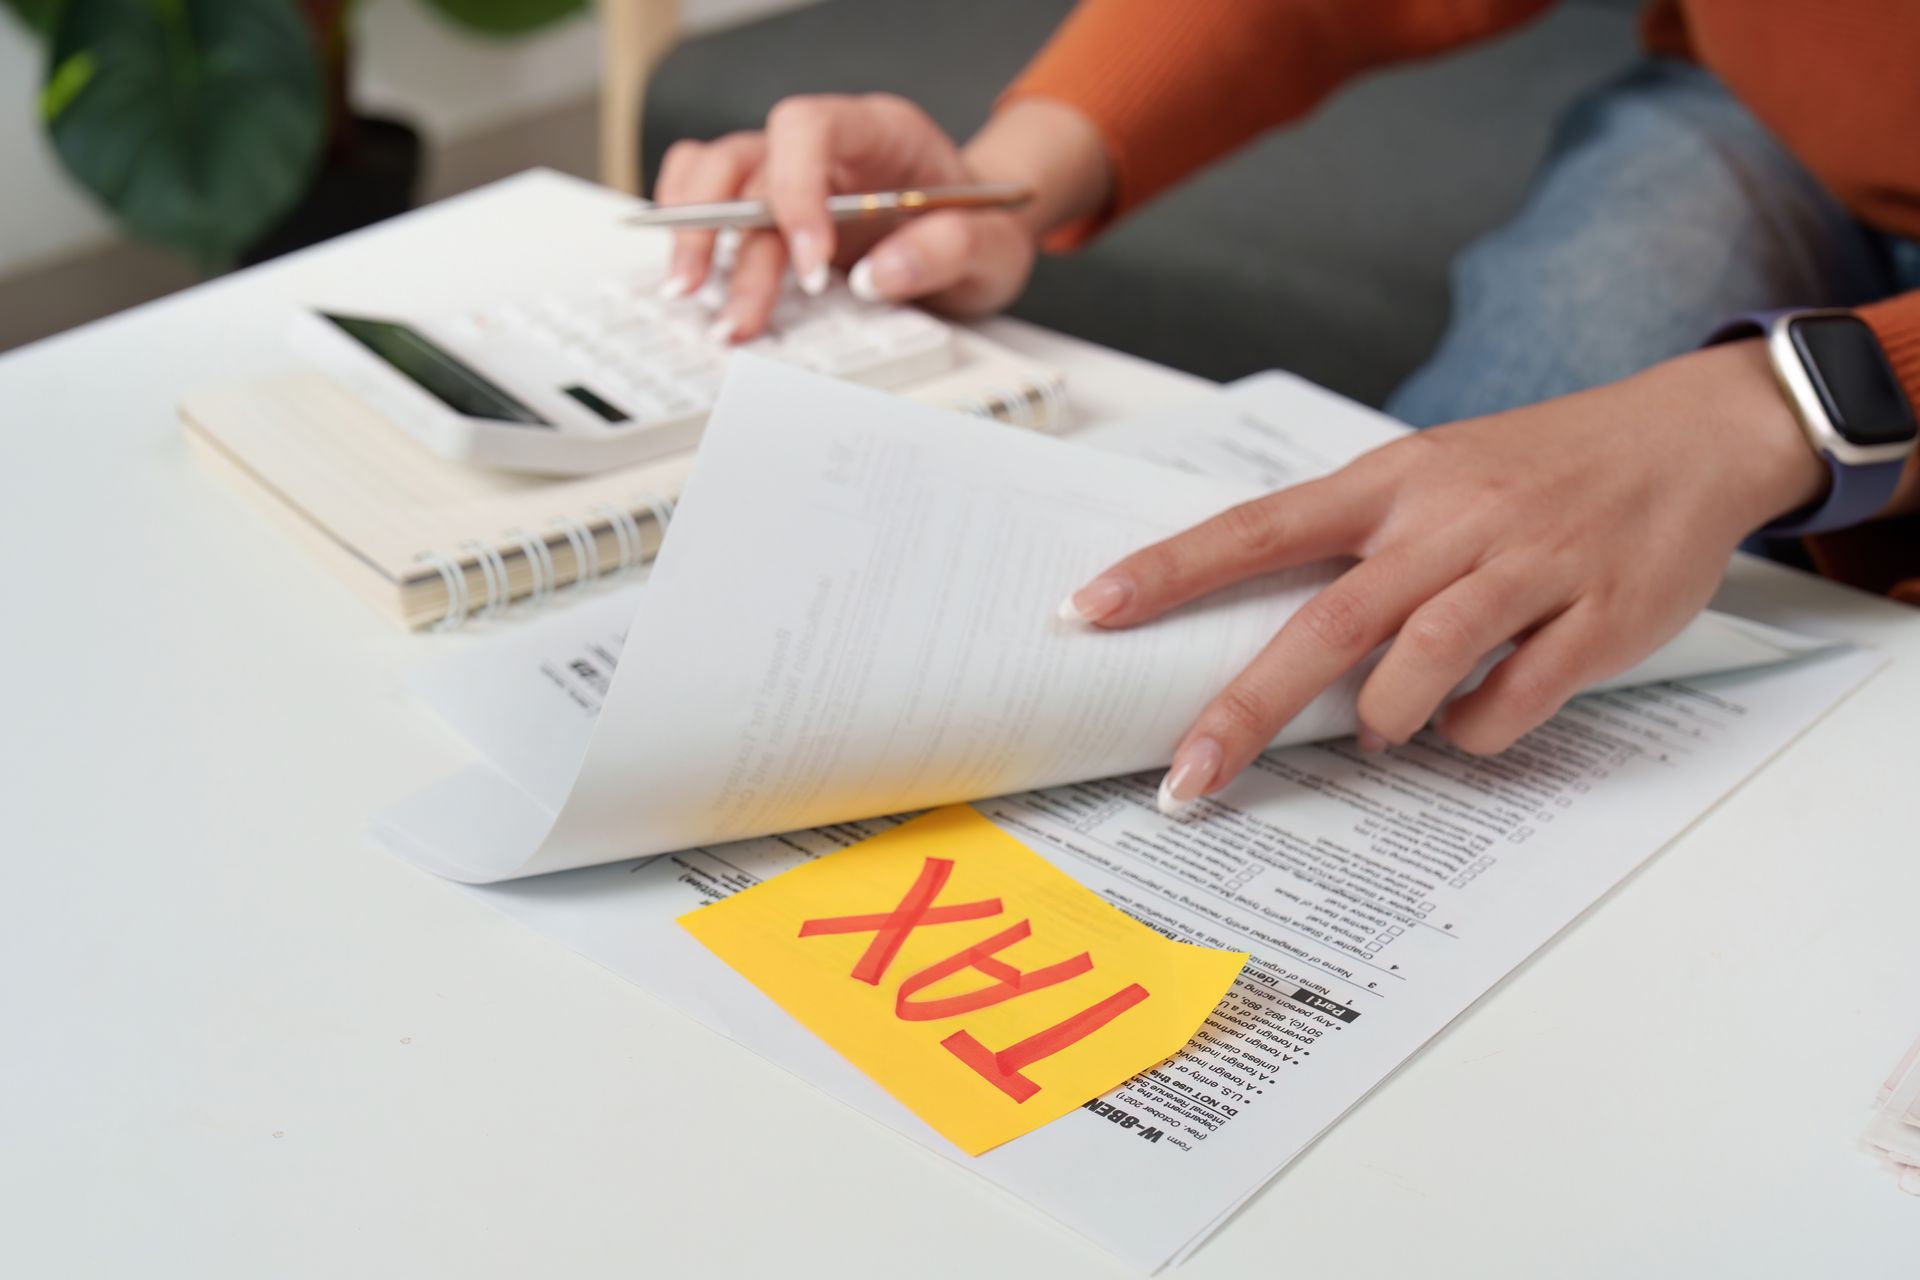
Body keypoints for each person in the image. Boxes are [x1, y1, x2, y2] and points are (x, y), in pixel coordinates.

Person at [652, 0, 1920, 815]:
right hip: (1774, 115)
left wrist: (1768, 410)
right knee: (1437, 599)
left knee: (1508, 602)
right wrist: (998, 183)